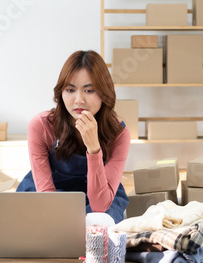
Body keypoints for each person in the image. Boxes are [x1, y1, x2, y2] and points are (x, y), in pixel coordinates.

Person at [17, 50, 130, 223]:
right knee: (33, 222)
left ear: (104, 93)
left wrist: (94, 149)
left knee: (100, 224)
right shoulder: (41, 126)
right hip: (50, 193)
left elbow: (100, 205)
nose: (79, 100)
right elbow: (47, 196)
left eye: (89, 90)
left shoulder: (119, 133)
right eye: (70, 90)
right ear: (61, 93)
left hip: (100, 195)